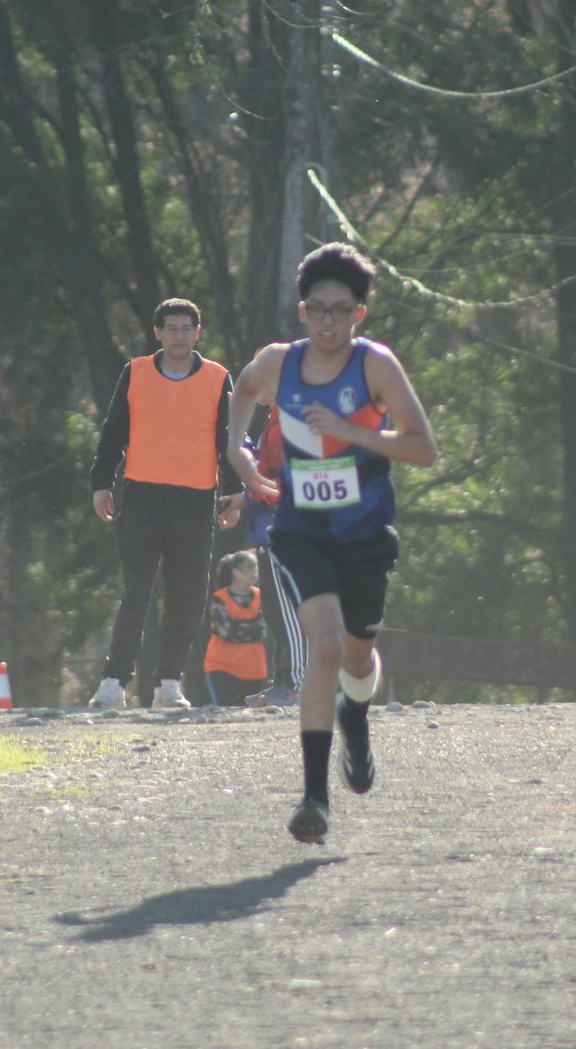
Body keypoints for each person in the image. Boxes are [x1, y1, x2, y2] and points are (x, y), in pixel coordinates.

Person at [227, 242, 437, 843]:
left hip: (365, 533)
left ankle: (358, 715)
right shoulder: (277, 363)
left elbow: (423, 448)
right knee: (321, 650)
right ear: (301, 311)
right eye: (317, 309)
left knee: (356, 654)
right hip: (301, 531)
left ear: (359, 316)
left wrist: (352, 431)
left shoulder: (376, 368)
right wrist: (237, 451)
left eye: (340, 311)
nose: (327, 322)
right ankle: (314, 797)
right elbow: (242, 391)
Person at [88, 298, 244, 710]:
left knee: (187, 596)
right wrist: (101, 483)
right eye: (171, 328)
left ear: (198, 332)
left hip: (195, 501)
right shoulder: (135, 372)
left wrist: (234, 493)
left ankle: (169, 683)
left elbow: (227, 439)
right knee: (136, 592)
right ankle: (113, 681)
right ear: (157, 333)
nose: (179, 335)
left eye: (186, 328)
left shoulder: (217, 378)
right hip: (140, 497)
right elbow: (113, 430)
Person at [242, 410, 303, 708]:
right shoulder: (273, 422)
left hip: (281, 529)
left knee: (288, 610)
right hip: (267, 531)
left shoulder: (286, 424)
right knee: (275, 612)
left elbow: (285, 485)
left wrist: (249, 495)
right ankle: (283, 680)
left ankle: (297, 682)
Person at [201, 549, 269, 706]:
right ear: (236, 572)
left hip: (255, 670)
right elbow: (225, 632)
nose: (255, 572)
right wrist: (251, 627)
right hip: (221, 668)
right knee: (225, 712)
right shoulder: (219, 598)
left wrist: (237, 627)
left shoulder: (261, 596)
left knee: (251, 719)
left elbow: (262, 631)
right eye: (250, 568)